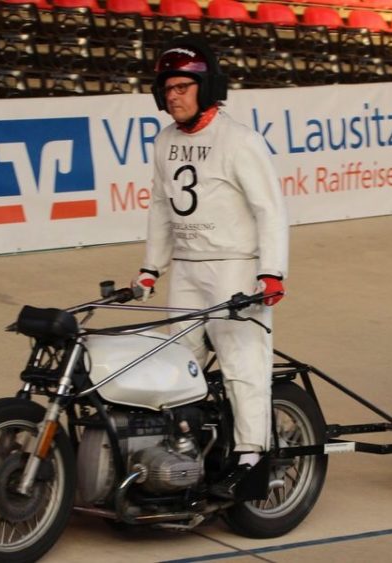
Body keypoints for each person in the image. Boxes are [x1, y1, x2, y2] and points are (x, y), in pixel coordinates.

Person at [132, 37, 289, 498]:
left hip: (235, 269)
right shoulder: (164, 141)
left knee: (244, 364)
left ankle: (251, 457)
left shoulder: (239, 140)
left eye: (184, 86)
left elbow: (270, 210)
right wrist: (149, 268)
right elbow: (161, 206)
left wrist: (272, 271)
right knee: (178, 364)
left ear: (207, 87)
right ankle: (184, 447)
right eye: (168, 88)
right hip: (186, 268)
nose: (174, 95)